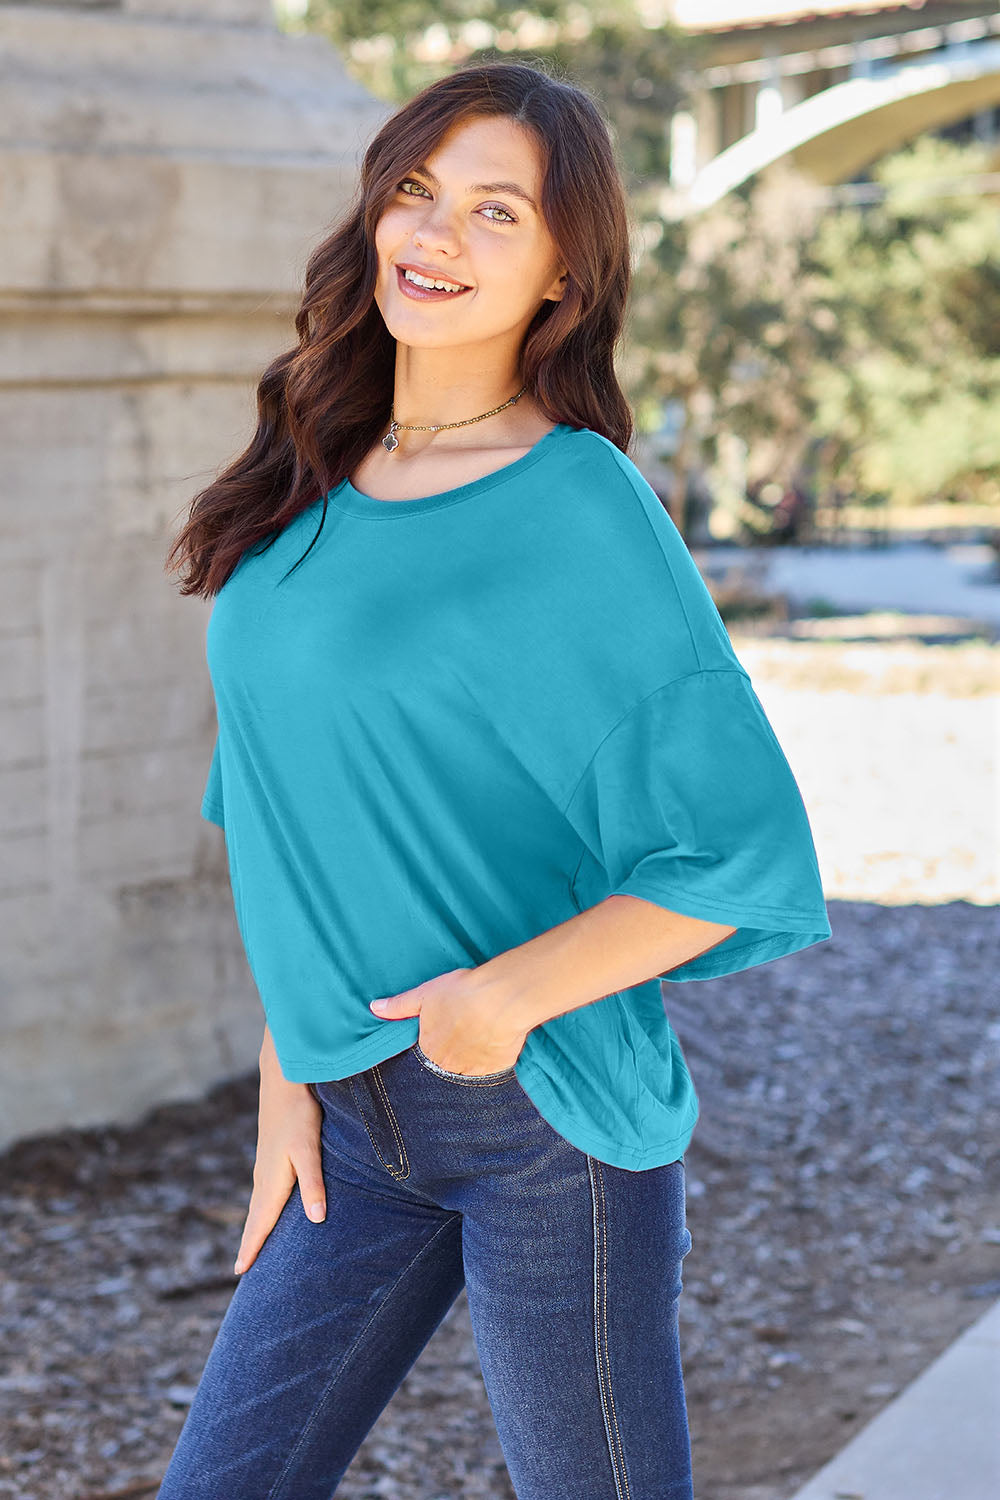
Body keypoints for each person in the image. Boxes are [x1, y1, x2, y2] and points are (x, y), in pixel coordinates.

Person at [159, 60, 830, 1500]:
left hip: (542, 1117)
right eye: (416, 190)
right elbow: (289, 807)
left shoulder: (582, 507)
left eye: (493, 211)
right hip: (346, 1112)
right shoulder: (312, 470)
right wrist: (288, 1076)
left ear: (560, 281)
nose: (435, 234)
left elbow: (740, 852)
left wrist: (501, 1002)